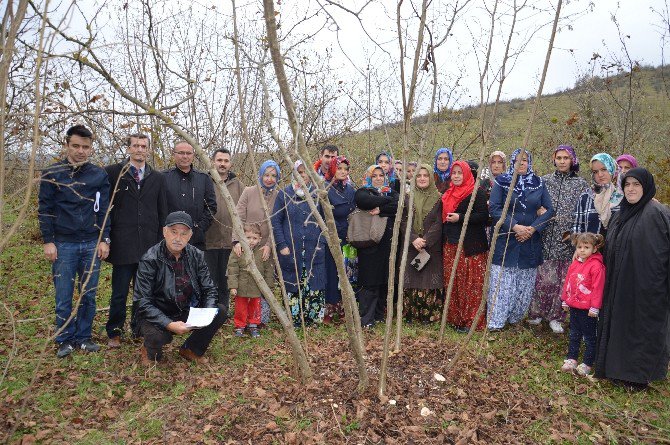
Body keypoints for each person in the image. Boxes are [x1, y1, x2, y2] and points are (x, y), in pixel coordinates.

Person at [38, 125, 111, 358]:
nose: (81, 151)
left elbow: (104, 211)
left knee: (88, 293)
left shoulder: (99, 175)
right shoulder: (52, 173)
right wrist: (48, 241)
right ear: (67, 145)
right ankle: (64, 339)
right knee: (64, 293)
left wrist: (104, 239)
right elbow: (45, 209)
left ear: (91, 148)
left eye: (86, 147)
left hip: (91, 242)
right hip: (63, 243)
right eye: (76, 146)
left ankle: (83, 337)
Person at [594, 168, 670, 389]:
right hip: (620, 282)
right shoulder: (622, 213)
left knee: (641, 330)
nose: (631, 189)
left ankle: (637, 376)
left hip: (647, 288)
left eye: (636, 185)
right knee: (620, 326)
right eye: (627, 185)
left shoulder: (658, 213)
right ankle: (617, 370)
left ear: (646, 187)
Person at [134, 211, 226, 364]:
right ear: (164, 232)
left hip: (185, 309)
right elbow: (142, 302)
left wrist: (205, 315)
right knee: (158, 337)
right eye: (173, 232)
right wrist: (168, 324)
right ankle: (149, 350)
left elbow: (209, 288)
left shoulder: (196, 255)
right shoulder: (150, 259)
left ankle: (191, 349)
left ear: (190, 236)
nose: (178, 238)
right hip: (157, 314)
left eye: (184, 234)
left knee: (219, 311)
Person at [105, 133, 167, 348]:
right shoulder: (114, 173)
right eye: (136, 145)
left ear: (148, 149)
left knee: (143, 293)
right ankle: (114, 331)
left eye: (144, 146)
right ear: (129, 148)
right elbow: (106, 209)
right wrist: (106, 238)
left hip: (148, 246)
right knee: (119, 292)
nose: (140, 149)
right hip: (123, 244)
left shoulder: (157, 178)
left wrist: (161, 244)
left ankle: (139, 328)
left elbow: (162, 212)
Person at [487, 149, 554, 331]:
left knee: (524, 284)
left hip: (529, 241)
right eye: (517, 160)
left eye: (524, 160)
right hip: (506, 239)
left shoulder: (538, 183)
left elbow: (549, 210)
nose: (521, 163)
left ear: (529, 162)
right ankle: (496, 323)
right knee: (502, 284)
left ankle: (515, 319)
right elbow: (495, 208)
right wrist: (515, 226)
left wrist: (532, 229)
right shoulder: (502, 182)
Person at [528, 145, 588, 334]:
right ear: (554, 160)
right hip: (546, 236)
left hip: (568, 238)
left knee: (562, 281)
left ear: (572, 160)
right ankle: (536, 313)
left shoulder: (581, 184)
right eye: (559, 158)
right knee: (543, 278)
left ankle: (556, 317)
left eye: (566, 158)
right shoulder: (543, 181)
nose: (562, 161)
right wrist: (538, 210)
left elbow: (585, 210)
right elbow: (532, 202)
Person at [272, 161, 327, 327]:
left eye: (305, 172)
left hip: (314, 249)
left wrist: (321, 242)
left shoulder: (318, 195)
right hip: (291, 249)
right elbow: (275, 221)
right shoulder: (284, 194)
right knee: (293, 284)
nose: (302, 176)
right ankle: (295, 320)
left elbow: (326, 222)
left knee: (314, 284)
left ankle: (313, 320)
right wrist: (282, 245)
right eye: (299, 172)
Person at [442, 161, 490, 331]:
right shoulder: (448, 193)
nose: (455, 176)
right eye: (453, 173)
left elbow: (484, 217)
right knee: (454, 282)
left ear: (467, 174)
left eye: (459, 173)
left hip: (471, 247)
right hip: (451, 245)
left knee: (471, 285)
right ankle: (456, 318)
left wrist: (460, 217)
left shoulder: (476, 192)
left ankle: (471, 321)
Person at [233, 160, 281, 326]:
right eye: (266, 175)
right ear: (260, 175)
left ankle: (261, 318)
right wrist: (238, 241)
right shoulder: (248, 192)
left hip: (266, 246)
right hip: (247, 244)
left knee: (266, 280)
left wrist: (269, 244)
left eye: (273, 176)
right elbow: (238, 217)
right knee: (246, 280)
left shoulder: (279, 195)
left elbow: (278, 223)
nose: (269, 179)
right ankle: (243, 319)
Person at [354, 165, 400, 327]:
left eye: (382, 175)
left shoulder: (392, 191)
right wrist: (387, 202)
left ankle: (379, 316)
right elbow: (365, 202)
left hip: (387, 244)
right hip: (369, 245)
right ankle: (366, 319)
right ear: (369, 177)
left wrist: (380, 209)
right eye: (375, 176)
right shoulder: (363, 191)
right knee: (369, 281)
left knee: (384, 280)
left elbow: (399, 205)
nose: (379, 178)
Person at [400, 164, 443, 323]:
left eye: (426, 175)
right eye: (419, 176)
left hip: (431, 246)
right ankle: (410, 316)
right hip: (412, 246)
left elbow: (439, 222)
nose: (422, 178)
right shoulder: (407, 197)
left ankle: (429, 317)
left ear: (431, 178)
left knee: (428, 279)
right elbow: (403, 221)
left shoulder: (439, 198)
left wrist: (425, 240)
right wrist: (413, 238)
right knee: (412, 277)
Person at [205, 148, 244, 318]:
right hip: (208, 240)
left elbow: (244, 211)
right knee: (209, 279)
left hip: (231, 242)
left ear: (230, 164)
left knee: (225, 279)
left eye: (226, 161)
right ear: (213, 161)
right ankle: (209, 312)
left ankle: (223, 312)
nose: (222, 164)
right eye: (219, 160)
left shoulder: (238, 185)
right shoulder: (205, 181)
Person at [560, 232, 605, 377]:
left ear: (595, 248)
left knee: (589, 337)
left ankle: (587, 363)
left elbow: (598, 288)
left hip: (588, 310)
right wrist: (565, 299)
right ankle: (571, 359)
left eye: (586, 247)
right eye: (579, 247)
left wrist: (595, 307)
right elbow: (568, 282)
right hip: (574, 306)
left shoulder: (596, 266)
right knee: (574, 334)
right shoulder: (575, 263)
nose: (582, 250)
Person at [164, 141, 217, 250]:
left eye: (188, 153)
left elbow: (211, 207)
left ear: (193, 155)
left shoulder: (204, 179)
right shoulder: (162, 178)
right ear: (173, 154)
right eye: (181, 153)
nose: (185, 156)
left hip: (196, 240)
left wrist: (199, 228)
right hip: (169, 240)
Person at [227, 223, 275, 338]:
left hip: (256, 286)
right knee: (240, 307)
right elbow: (232, 269)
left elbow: (268, 271)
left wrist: (269, 287)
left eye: (254, 238)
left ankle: (253, 324)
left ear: (260, 239)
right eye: (248, 238)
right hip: (241, 285)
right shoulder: (238, 251)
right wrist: (233, 286)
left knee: (255, 306)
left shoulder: (262, 252)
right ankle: (240, 325)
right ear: (242, 237)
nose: (251, 241)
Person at [323, 156, 356, 324]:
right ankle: (329, 311)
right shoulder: (326, 189)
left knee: (346, 273)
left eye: (345, 169)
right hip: (332, 238)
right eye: (339, 168)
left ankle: (344, 310)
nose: (342, 172)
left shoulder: (350, 189)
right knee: (331, 273)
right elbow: (322, 215)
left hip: (348, 238)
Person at [573, 153, 623, 236]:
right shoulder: (586, 197)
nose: (600, 175)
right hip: (589, 248)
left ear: (612, 168)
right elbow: (576, 226)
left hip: (616, 248)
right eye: (595, 172)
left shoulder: (621, 196)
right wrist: (582, 244)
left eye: (604, 169)